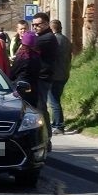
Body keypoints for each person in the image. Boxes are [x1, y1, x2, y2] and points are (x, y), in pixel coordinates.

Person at [31, 12, 58, 145]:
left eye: (38, 24)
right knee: (38, 107)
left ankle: (46, 139)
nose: (35, 27)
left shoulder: (46, 38)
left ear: (47, 24)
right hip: (39, 76)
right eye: (33, 25)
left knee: (41, 107)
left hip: (42, 77)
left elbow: (29, 44)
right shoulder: (41, 36)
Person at [48, 19, 73, 135]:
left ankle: (58, 125)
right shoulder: (66, 40)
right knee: (56, 99)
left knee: (53, 101)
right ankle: (56, 123)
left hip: (54, 75)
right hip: (64, 73)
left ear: (51, 28)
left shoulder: (53, 40)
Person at [9, 30, 41, 107]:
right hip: (33, 87)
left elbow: (13, 73)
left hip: (20, 87)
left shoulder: (21, 56)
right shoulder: (37, 56)